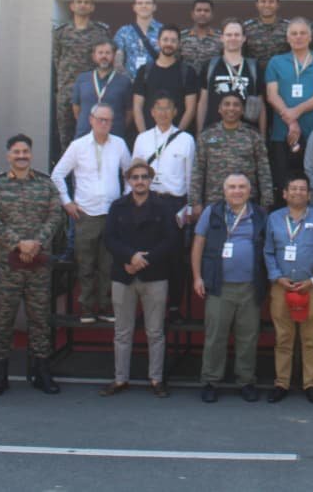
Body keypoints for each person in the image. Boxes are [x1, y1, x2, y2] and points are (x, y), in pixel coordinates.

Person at [0, 134, 62, 397]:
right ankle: (0, 376)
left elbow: (55, 215)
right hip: (9, 265)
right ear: (8, 156)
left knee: (40, 320)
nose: (21, 156)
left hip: (38, 265)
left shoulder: (45, 184)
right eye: (16, 152)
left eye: (25, 152)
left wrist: (36, 243)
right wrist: (19, 244)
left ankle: (41, 373)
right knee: (3, 320)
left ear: (31, 154)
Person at [100, 157, 182, 398]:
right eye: (135, 177)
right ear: (128, 180)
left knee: (155, 331)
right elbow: (109, 238)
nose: (140, 181)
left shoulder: (163, 207)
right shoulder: (117, 206)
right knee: (122, 331)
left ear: (151, 179)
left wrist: (144, 260)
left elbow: (171, 240)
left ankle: (156, 379)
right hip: (123, 274)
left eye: (144, 177)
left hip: (154, 275)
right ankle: (120, 379)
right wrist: (130, 258)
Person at [192, 174, 269, 403]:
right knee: (215, 336)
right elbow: (198, 244)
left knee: (248, 337)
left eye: (242, 187)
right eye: (232, 187)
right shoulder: (212, 212)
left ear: (249, 190)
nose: (237, 191)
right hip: (218, 286)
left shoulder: (259, 215)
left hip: (250, 286)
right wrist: (197, 277)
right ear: (224, 191)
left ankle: (246, 381)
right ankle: (210, 381)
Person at [51, 104, 131, 324]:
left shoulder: (119, 145)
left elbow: (130, 174)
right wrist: (67, 202)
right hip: (85, 214)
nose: (104, 124)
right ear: (91, 119)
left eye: (108, 120)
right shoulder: (78, 146)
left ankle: (106, 307)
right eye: (100, 119)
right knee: (85, 264)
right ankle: (86, 308)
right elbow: (57, 175)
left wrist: (125, 201)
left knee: (108, 264)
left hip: (112, 214)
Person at [263, 174, 313, 404]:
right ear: (284, 193)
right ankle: (281, 383)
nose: (298, 192)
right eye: (293, 189)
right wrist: (276, 277)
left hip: (310, 287)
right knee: (283, 338)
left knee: (310, 339)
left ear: (309, 194)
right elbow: (268, 251)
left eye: (303, 189)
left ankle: (311, 383)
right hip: (281, 287)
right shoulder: (273, 218)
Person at [132, 91, 197, 316]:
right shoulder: (143, 138)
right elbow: (134, 171)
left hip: (173, 204)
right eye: (158, 108)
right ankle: (150, 306)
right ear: (151, 112)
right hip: (147, 201)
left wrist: (189, 206)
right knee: (148, 252)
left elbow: (191, 176)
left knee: (175, 255)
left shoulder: (186, 139)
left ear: (175, 112)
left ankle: (175, 304)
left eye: (167, 108)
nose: (162, 113)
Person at [266, 17, 313, 200]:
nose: (298, 37)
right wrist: (291, 121)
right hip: (282, 134)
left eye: (303, 33)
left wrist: (296, 112)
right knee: (283, 184)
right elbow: (272, 95)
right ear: (287, 38)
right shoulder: (276, 62)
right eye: (294, 33)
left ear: (310, 37)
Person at [190, 93, 274, 216]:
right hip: (214, 201)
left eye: (236, 105)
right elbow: (198, 170)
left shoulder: (253, 136)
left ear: (242, 110)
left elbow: (264, 171)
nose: (231, 108)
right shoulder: (207, 135)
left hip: (246, 203)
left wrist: (266, 201)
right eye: (227, 104)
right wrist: (195, 202)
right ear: (219, 109)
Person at [52, 0, 111, 151]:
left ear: (92, 7)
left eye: (86, 2)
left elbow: (105, 58)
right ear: (72, 6)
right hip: (67, 91)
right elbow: (57, 59)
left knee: (91, 133)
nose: (82, 5)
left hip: (91, 91)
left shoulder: (100, 32)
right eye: (79, 2)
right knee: (66, 136)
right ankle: (69, 175)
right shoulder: (61, 33)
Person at [197, 19, 266, 133]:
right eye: (229, 35)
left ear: (243, 38)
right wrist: (200, 133)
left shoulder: (254, 67)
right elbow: (203, 102)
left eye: (237, 35)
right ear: (222, 38)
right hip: (214, 133)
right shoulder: (210, 66)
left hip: (247, 135)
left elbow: (261, 104)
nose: (233, 38)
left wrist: (262, 136)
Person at [132, 26, 198, 132]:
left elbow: (190, 109)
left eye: (173, 40)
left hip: (178, 138)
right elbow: (137, 107)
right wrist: (144, 136)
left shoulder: (187, 72)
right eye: (165, 39)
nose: (169, 44)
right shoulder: (144, 71)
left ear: (179, 44)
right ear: (158, 42)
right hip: (149, 136)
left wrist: (176, 136)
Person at [71, 40, 132, 138]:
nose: (104, 56)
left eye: (108, 53)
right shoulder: (82, 79)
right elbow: (76, 108)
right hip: (85, 135)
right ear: (94, 56)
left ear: (113, 56)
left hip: (113, 136)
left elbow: (129, 112)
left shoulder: (124, 82)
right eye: (100, 53)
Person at [112, 0, 162, 79]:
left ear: (154, 7)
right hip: (129, 85)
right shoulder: (124, 32)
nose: (144, 6)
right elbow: (117, 62)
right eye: (139, 3)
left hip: (157, 83)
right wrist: (128, 81)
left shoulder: (163, 31)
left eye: (148, 3)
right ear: (134, 7)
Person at [243, 0, 291, 74]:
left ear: (277, 4)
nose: (267, 5)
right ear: (257, 4)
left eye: (271, 2)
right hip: (255, 75)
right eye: (263, 1)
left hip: (281, 74)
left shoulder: (288, 27)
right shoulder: (246, 28)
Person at [179, 0, 223, 76]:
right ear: (192, 14)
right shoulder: (182, 37)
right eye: (198, 10)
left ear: (212, 14)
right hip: (187, 84)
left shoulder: (221, 38)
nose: (202, 13)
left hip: (211, 84)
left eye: (206, 11)